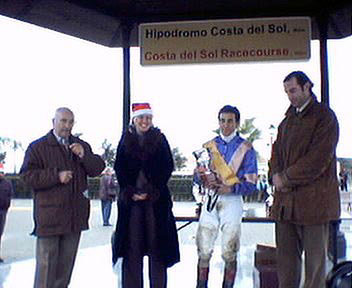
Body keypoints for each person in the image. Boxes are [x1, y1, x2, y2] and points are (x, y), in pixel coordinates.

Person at [20, 107, 105, 288]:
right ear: (54, 122)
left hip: (74, 220)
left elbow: (97, 168)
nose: (67, 125)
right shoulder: (38, 147)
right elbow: (27, 176)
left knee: (64, 273)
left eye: (70, 121)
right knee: (45, 273)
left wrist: (84, 155)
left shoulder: (80, 145)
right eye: (63, 121)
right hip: (49, 220)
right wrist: (56, 176)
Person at [270, 71, 340, 288]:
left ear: (307, 86)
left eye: (293, 90)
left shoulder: (325, 117)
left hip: (315, 206)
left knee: (315, 270)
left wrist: (286, 178)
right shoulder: (286, 122)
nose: (290, 96)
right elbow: (275, 155)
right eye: (287, 92)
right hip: (286, 207)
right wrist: (275, 175)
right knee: (286, 268)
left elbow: (319, 159)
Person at [112, 103, 180, 288]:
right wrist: (129, 191)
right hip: (131, 202)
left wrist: (152, 190)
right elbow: (120, 168)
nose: (145, 121)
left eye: (148, 118)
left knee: (156, 246)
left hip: (155, 202)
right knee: (131, 248)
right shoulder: (125, 140)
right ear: (134, 120)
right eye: (141, 118)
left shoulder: (160, 139)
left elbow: (167, 167)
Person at [194, 105, 258, 288]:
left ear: (237, 123)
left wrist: (231, 189)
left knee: (230, 250)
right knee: (203, 248)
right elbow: (197, 177)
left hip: (232, 201)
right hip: (210, 199)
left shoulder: (246, 148)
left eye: (230, 121)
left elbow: (251, 183)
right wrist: (202, 177)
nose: (226, 125)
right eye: (222, 120)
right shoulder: (209, 146)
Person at [0, 168, 13, 263]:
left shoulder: (7, 184)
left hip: (2, 212)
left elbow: (10, 195)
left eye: (2, 172)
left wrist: (6, 207)